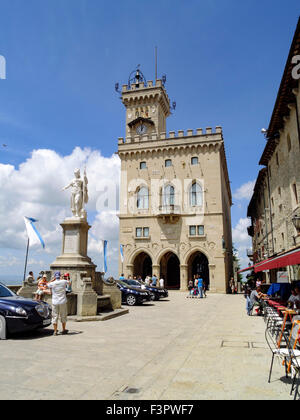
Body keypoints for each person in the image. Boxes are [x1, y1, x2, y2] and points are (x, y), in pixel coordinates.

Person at [47, 271, 71, 336]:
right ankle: (63, 329)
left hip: (55, 301)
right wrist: (67, 277)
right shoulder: (63, 281)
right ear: (60, 276)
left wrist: (53, 279)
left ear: (55, 276)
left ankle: (55, 331)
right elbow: (69, 283)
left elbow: (47, 284)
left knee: (55, 316)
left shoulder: (52, 283)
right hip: (62, 301)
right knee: (63, 315)